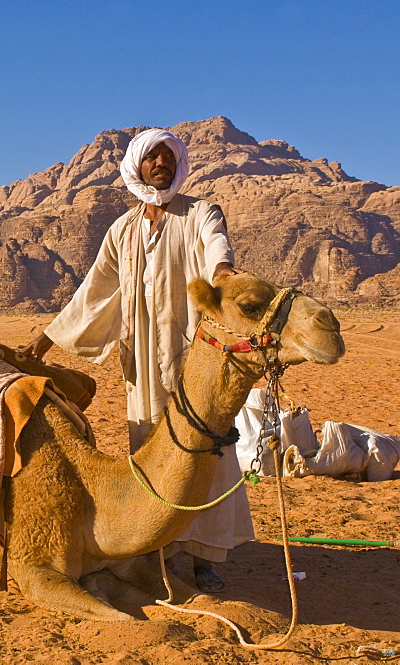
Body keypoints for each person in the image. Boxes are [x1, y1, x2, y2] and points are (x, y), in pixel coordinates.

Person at [19, 128, 253, 593]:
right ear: (138, 166)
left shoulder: (200, 212)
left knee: (209, 448)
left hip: (196, 357)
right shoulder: (122, 230)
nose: (161, 162)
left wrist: (223, 271)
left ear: (179, 165)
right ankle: (158, 545)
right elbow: (93, 292)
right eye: (153, 157)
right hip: (143, 363)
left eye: (169, 155)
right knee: (153, 449)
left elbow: (216, 247)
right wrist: (45, 341)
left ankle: (206, 556)